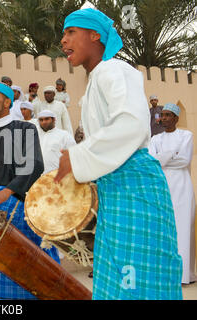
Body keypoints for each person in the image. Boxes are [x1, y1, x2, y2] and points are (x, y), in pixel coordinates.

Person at [57, 8, 182, 299]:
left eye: (70, 32)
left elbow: (132, 124)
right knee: (118, 279)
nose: (63, 41)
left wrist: (76, 157)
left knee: (140, 278)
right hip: (117, 189)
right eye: (63, 34)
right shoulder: (94, 83)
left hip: (135, 186)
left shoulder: (114, 70)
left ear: (95, 35)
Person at [0, 82, 60, 300]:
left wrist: (6, 192)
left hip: (21, 206)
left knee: (27, 268)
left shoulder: (25, 129)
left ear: (8, 102)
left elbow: (34, 164)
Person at [149, 103, 196, 284]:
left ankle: (185, 275)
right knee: (164, 230)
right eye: (163, 115)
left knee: (184, 228)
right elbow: (153, 161)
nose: (164, 118)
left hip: (182, 188)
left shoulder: (186, 135)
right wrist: (171, 154)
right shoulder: (155, 139)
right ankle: (166, 274)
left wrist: (163, 157)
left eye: (168, 115)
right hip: (162, 187)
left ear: (176, 118)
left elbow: (184, 160)